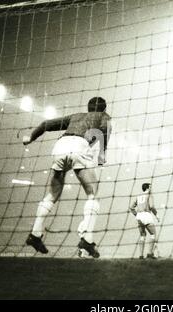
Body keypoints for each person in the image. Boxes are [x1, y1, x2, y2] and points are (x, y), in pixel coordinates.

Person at [23, 97, 111, 258]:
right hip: (79, 146)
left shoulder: (76, 116)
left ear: (88, 107)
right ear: (104, 109)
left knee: (53, 194)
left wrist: (30, 138)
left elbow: (45, 124)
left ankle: (35, 234)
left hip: (60, 146)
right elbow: (104, 132)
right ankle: (87, 239)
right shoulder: (104, 117)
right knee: (93, 194)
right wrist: (101, 156)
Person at [130, 183, 158, 259]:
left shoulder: (138, 196)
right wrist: (157, 215)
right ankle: (149, 254)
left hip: (139, 216)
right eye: (150, 187)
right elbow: (152, 206)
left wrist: (137, 215)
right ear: (148, 188)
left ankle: (141, 255)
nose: (151, 189)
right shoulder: (149, 195)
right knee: (153, 234)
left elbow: (131, 208)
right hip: (147, 215)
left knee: (142, 236)